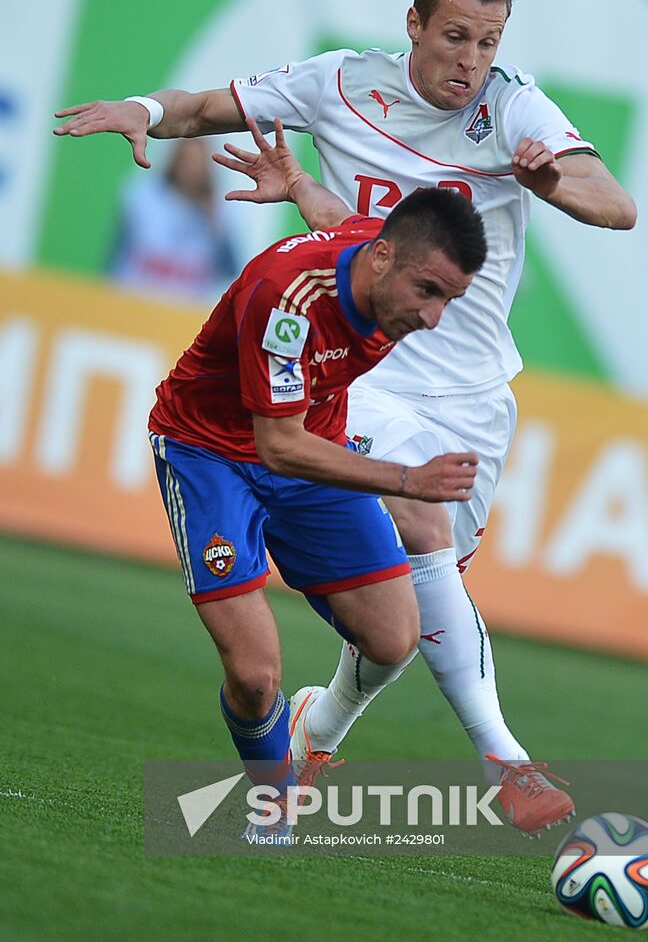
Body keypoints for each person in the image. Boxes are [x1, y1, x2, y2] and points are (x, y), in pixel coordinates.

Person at [53, 0, 636, 836]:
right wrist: (137, 110)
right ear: (413, 26)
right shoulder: (341, 83)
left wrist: (548, 177)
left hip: (471, 390)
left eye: (486, 41)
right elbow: (208, 109)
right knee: (421, 526)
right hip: (357, 370)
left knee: (405, 617)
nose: (469, 59)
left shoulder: (512, 106)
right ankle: (506, 762)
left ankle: (315, 729)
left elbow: (615, 204)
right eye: (453, 37)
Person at [146, 116, 485, 842]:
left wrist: (297, 182)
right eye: (427, 291)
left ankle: (309, 721)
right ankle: (273, 805)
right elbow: (277, 446)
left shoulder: (377, 253)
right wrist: (405, 480)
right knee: (254, 675)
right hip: (211, 453)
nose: (431, 317)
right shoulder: (286, 299)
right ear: (383, 259)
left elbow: (339, 218)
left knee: (393, 642)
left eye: (447, 301)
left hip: (308, 449)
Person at [109, 137, 239, 303]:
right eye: (186, 160)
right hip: (135, 301)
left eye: (197, 162)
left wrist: (216, 226)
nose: (191, 169)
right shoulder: (144, 198)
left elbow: (231, 271)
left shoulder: (219, 210)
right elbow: (117, 253)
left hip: (183, 312)